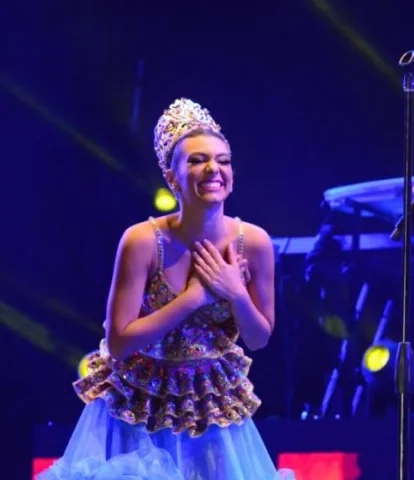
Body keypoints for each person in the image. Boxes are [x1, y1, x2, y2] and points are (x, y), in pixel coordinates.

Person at [39, 98, 281, 480]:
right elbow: (118, 342)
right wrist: (193, 299)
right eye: (197, 160)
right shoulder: (143, 241)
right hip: (137, 405)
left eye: (223, 159)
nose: (213, 169)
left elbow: (259, 338)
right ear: (172, 177)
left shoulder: (253, 242)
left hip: (209, 403)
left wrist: (235, 292)